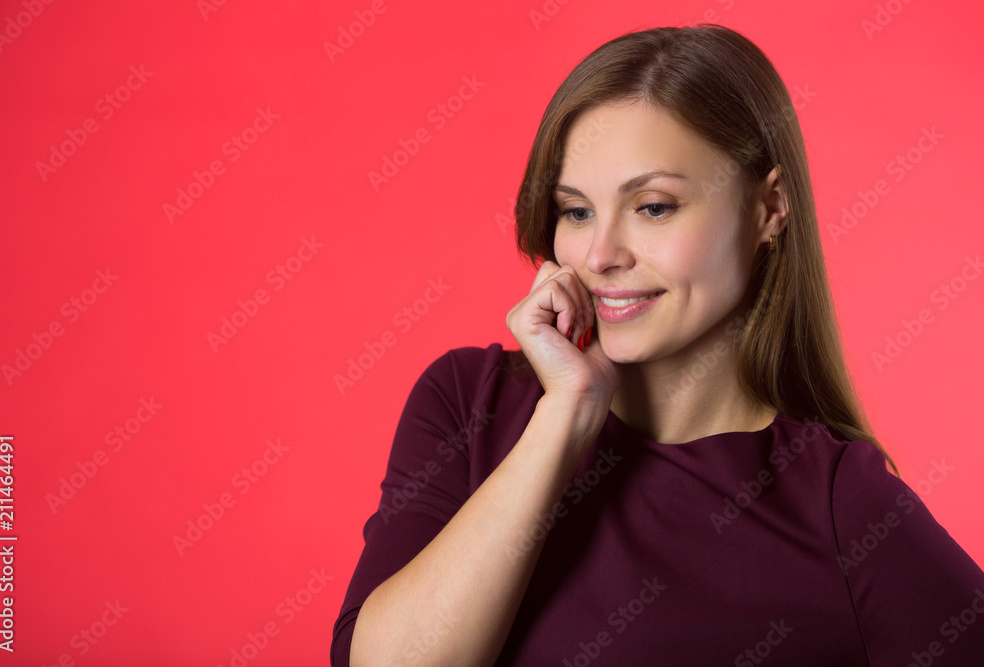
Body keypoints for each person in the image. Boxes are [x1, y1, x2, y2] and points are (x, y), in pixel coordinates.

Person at [330, 23, 984, 665]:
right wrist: (567, 412)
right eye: (577, 211)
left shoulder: (839, 500)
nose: (600, 254)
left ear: (769, 209)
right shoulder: (469, 402)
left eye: (653, 206)